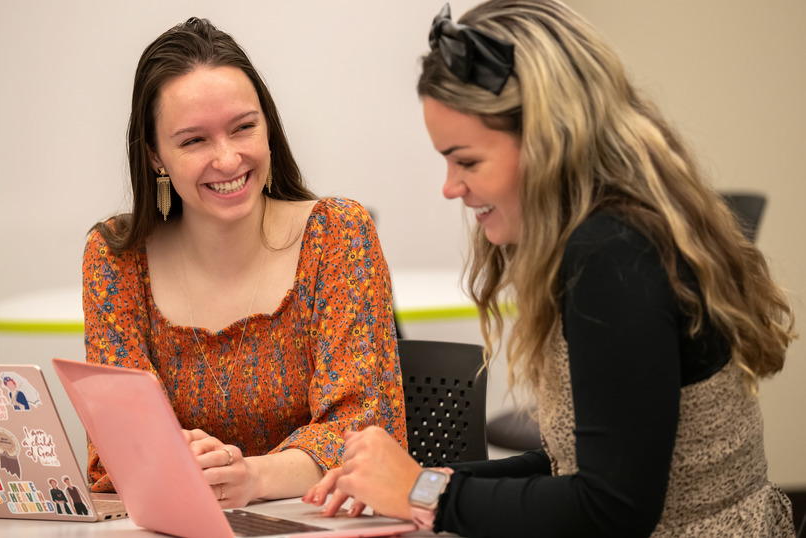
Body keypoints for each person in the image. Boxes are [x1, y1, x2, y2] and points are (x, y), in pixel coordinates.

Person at [304, 1, 796, 536]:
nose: (450, 186)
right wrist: (421, 479)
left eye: (466, 160)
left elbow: (612, 507)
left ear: (548, 143)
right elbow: (576, 465)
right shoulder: (608, 234)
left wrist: (425, 493)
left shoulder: (612, 252)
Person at [83, 17, 407, 507]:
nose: (229, 159)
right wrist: (181, 463)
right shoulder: (118, 257)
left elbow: (365, 430)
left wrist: (249, 477)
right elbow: (114, 453)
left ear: (269, 127)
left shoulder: (337, 232)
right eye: (194, 140)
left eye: (244, 128)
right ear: (154, 156)